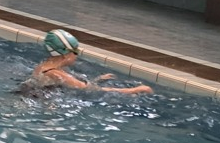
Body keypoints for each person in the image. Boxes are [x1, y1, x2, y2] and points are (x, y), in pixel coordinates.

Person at [19, 29, 152, 96]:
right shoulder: (57, 74)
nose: (77, 55)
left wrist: (98, 79)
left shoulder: (43, 66)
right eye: (76, 51)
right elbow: (93, 90)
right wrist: (133, 90)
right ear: (66, 54)